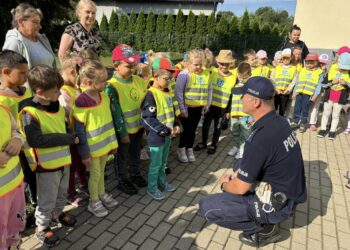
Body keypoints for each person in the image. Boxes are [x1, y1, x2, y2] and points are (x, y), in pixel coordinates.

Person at [199, 76, 307, 248]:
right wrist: (238, 173)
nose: (240, 99)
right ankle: (266, 214)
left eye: (243, 95)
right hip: (291, 191)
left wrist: (225, 185)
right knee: (239, 163)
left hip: (279, 203)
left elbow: (239, 189)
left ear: (255, 102)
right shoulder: (280, 120)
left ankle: (265, 229)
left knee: (208, 207)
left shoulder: (260, 139)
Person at [18, 65, 77, 247]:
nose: (60, 93)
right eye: (55, 91)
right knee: (46, 199)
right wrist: (67, 138)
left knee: (61, 193)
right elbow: (37, 140)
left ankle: (57, 214)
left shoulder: (56, 106)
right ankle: (41, 227)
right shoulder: (29, 112)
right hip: (46, 166)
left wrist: (68, 132)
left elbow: (61, 126)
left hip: (63, 161)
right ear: (39, 91)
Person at [71, 59, 119, 217]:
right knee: (95, 174)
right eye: (103, 80)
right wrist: (84, 153)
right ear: (89, 82)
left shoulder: (104, 97)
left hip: (104, 146)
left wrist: (112, 142)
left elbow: (106, 121)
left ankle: (101, 193)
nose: (106, 82)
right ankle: (94, 201)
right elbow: (79, 131)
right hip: (91, 149)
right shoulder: (81, 102)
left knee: (100, 172)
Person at [106, 44, 148, 195]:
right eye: (128, 66)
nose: (132, 69)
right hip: (123, 131)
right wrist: (122, 133)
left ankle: (135, 174)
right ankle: (122, 179)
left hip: (138, 127)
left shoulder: (137, 80)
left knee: (135, 152)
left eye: (134, 65)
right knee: (122, 157)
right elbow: (115, 112)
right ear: (116, 65)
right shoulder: (112, 87)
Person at [140, 57, 180, 200]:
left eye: (171, 79)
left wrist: (176, 125)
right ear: (155, 76)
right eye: (166, 78)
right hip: (157, 136)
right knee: (156, 164)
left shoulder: (167, 91)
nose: (169, 81)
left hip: (168, 134)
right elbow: (148, 119)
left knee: (163, 162)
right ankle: (152, 188)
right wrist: (165, 130)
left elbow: (172, 110)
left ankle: (161, 182)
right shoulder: (150, 94)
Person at [58, 54, 89, 207]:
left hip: (79, 132)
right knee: (71, 165)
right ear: (64, 73)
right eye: (73, 72)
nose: (76, 75)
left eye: (77, 71)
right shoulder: (63, 91)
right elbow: (67, 111)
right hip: (71, 134)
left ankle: (84, 183)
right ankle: (70, 193)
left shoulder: (76, 88)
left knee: (80, 161)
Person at [194, 50, 236, 155]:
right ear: (217, 63)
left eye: (226, 64)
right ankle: (203, 142)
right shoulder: (212, 71)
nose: (224, 66)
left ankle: (214, 144)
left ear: (230, 64)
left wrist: (228, 111)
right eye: (222, 63)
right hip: (209, 105)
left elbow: (232, 96)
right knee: (206, 125)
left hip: (221, 107)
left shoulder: (233, 78)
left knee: (217, 127)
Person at [175, 49, 211, 163]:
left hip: (198, 107)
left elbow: (209, 89)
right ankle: (181, 149)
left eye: (201, 65)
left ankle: (189, 148)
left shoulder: (206, 73)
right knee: (186, 130)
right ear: (188, 63)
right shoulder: (184, 75)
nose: (199, 67)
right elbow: (178, 92)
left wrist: (207, 104)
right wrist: (182, 109)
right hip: (186, 108)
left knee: (193, 130)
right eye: (196, 65)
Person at [0, 104, 25, 250]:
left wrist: (17, 140)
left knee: (13, 228)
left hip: (15, 186)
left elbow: (16, 131)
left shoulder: (3, 110)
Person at [3, 3, 56, 69]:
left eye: (39, 22)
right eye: (35, 22)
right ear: (21, 22)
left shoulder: (42, 39)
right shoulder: (14, 42)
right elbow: (8, 72)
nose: (40, 26)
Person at [317, 52, 350, 140]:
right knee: (325, 113)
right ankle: (323, 129)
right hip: (329, 97)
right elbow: (323, 85)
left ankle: (332, 131)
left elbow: (349, 86)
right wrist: (332, 82)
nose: (343, 69)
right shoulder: (331, 70)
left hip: (340, 98)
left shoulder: (348, 73)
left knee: (336, 115)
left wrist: (345, 83)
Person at [291, 52, 323, 133]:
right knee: (297, 108)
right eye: (308, 62)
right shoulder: (302, 70)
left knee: (305, 109)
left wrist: (315, 95)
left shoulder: (319, 72)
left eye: (312, 63)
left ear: (316, 63)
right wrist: (294, 92)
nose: (309, 64)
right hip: (299, 93)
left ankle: (303, 123)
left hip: (308, 95)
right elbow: (297, 82)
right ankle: (295, 122)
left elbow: (319, 86)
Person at [227, 62, 252, 159]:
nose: (242, 79)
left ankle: (242, 151)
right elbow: (230, 99)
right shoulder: (235, 84)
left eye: (245, 77)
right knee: (234, 131)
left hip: (245, 116)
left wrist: (251, 116)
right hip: (234, 114)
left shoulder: (251, 87)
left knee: (245, 133)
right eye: (240, 76)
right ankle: (237, 147)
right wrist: (228, 112)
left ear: (250, 75)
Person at [270, 48, 297, 116]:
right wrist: (276, 89)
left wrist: (288, 90)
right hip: (277, 92)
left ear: (291, 58)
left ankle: (281, 123)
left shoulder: (294, 69)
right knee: (274, 108)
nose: (285, 60)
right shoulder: (277, 67)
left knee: (282, 109)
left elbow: (294, 81)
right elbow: (272, 78)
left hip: (285, 93)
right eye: (284, 58)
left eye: (287, 58)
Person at [309, 54, 329, 131]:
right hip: (309, 90)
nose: (321, 64)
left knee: (315, 107)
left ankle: (312, 123)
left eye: (324, 63)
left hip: (318, 92)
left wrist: (323, 72)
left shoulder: (325, 72)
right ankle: (304, 120)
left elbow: (323, 83)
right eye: (320, 62)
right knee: (306, 106)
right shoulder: (312, 68)